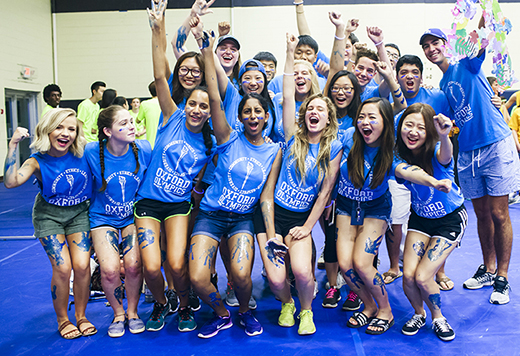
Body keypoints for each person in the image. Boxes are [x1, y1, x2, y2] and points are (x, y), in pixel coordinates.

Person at [190, 19, 282, 338]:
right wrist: (205, 44)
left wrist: (270, 234)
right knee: (199, 277)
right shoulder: (228, 137)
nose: (253, 116)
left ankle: (243, 311)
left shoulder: (274, 151)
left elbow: (267, 197)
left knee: (242, 277)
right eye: (247, 112)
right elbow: (215, 97)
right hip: (211, 216)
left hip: (242, 219)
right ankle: (222, 313)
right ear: (240, 116)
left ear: (266, 116)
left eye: (259, 112)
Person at [421, 21, 520, 304]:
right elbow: (454, 120)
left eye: (435, 43)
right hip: (467, 153)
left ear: (446, 44)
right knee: (481, 215)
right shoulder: (442, 83)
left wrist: (480, 23)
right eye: (426, 47)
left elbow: (478, 44)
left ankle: (502, 277)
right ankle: (488, 269)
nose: (431, 49)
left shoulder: (467, 65)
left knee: (500, 213)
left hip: (494, 145)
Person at [336, 97, 454, 335]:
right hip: (346, 206)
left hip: (376, 208)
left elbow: (407, 171)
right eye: (361, 117)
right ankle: (368, 306)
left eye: (372, 117)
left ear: (385, 122)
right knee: (345, 266)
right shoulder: (348, 137)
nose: (365, 122)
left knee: (362, 263)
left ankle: (385, 310)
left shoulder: (391, 150)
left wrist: (433, 181)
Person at [136, 0, 215, 333]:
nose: (196, 109)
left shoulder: (211, 141)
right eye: (192, 103)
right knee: (152, 268)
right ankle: (160, 301)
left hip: (179, 207)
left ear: (211, 111)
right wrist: (159, 26)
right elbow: (160, 73)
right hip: (148, 203)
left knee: (177, 262)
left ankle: (184, 305)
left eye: (203, 105)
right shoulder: (171, 116)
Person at [256, 32, 342, 335]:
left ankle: (306, 310)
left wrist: (307, 226)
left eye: (321, 109)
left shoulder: (333, 148)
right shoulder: (292, 136)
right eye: (310, 110)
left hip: (300, 218)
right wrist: (290, 52)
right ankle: (287, 303)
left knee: (303, 272)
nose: (313, 113)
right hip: (274, 216)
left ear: (329, 118)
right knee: (278, 280)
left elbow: (324, 194)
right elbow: (290, 94)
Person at [4, 108, 95, 339]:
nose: (66, 133)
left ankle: (82, 316)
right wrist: (13, 145)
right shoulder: (37, 161)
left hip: (79, 213)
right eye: (59, 127)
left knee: (83, 266)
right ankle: (63, 320)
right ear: (47, 130)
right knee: (63, 268)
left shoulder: (85, 153)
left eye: (71, 129)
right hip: (49, 216)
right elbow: (11, 182)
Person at [382, 54, 454, 289]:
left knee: (440, 214)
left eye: (414, 72)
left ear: (422, 76)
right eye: (403, 72)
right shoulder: (392, 103)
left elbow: (452, 124)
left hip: (433, 165)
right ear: (397, 77)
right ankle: (394, 266)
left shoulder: (437, 97)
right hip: (400, 169)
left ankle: (439, 270)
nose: (409, 76)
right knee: (396, 219)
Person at [397, 103, 467, 341]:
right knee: (407, 275)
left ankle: (438, 317)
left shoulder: (438, 149)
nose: (413, 132)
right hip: (420, 219)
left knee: (423, 276)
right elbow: (407, 173)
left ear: (429, 131)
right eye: (409, 125)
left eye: (420, 127)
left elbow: (445, 154)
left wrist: (445, 136)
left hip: (449, 220)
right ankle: (419, 313)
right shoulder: (399, 155)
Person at [85, 105, 152, 337]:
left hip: (132, 218)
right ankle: (118, 314)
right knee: (110, 270)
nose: (131, 126)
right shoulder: (92, 152)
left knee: (133, 265)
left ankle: (132, 312)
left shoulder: (143, 149)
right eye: (122, 124)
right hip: (102, 218)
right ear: (107, 131)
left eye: (131, 121)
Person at [136, 82, 161, 148]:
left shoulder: (144, 104)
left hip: (151, 143)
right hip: (164, 142)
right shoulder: (168, 103)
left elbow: (138, 120)